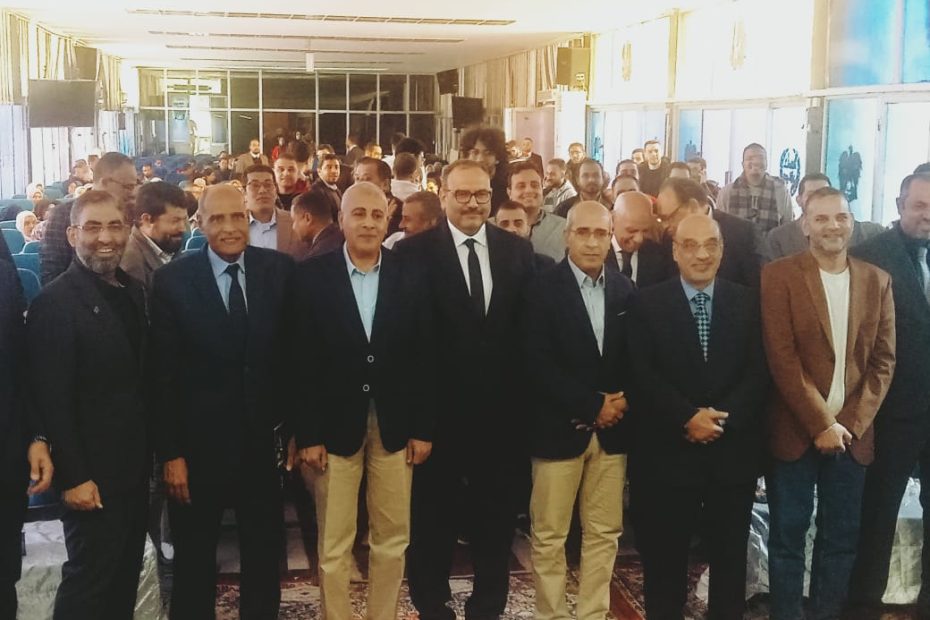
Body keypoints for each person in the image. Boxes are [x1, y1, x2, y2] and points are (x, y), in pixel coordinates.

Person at [397, 159, 537, 620]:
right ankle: (432, 606)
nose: (473, 203)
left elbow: (526, 336)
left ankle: (487, 608)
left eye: (481, 194)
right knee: (431, 525)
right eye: (462, 194)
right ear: (443, 196)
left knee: (495, 526)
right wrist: (417, 421)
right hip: (436, 421)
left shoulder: (517, 251)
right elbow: (408, 344)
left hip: (501, 420)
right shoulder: (413, 254)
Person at [149, 184, 295, 619]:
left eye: (237, 217)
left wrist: (295, 430)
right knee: (194, 561)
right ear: (200, 224)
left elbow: (295, 358)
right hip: (197, 451)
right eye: (217, 219)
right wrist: (171, 453)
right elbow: (161, 377)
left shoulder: (279, 270)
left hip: (262, 445)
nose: (230, 227)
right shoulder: (172, 281)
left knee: (264, 555)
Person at [293, 182, 434, 620]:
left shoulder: (411, 273)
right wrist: (308, 434)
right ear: (342, 220)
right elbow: (301, 362)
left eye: (377, 215)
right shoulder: (312, 276)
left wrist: (423, 427)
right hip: (333, 426)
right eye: (359, 214)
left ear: (387, 219)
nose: (369, 223)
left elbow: (425, 356)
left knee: (392, 538)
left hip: (396, 424)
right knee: (335, 541)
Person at [762, 187, 896, 620]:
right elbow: (782, 358)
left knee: (841, 540)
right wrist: (822, 423)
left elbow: (884, 361)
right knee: (788, 537)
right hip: (795, 432)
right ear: (805, 225)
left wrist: (849, 424)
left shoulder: (877, 280)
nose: (832, 226)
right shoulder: (778, 276)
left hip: (853, 437)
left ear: (851, 223)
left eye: (841, 217)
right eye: (821, 218)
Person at [628, 213, 769, 620]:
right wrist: (686, 417)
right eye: (690, 245)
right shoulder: (646, 303)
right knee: (664, 561)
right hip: (669, 454)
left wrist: (720, 420)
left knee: (730, 560)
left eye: (711, 245)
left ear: (722, 250)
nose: (701, 254)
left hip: (731, 454)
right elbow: (641, 373)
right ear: (675, 252)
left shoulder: (748, 302)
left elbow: (759, 371)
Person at [28, 190, 150, 619]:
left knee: (123, 579)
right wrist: (74, 477)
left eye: (115, 226)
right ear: (72, 234)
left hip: (133, 468)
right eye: (93, 227)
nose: (106, 238)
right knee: (89, 586)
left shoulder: (134, 292)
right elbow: (52, 400)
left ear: (128, 230)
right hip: (90, 475)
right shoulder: (55, 303)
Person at [524, 201, 635, 620]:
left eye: (601, 233)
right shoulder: (540, 289)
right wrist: (591, 406)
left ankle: (593, 614)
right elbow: (535, 362)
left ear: (611, 237)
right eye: (583, 232)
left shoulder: (625, 290)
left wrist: (621, 402)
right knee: (550, 534)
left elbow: (638, 357)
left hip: (612, 433)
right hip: (558, 429)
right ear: (567, 235)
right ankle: (551, 614)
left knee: (605, 532)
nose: (592, 242)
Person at [847, 172, 930, 618]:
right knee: (877, 516)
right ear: (900, 205)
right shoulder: (870, 257)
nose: (928, 216)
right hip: (891, 413)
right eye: (920, 206)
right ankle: (862, 607)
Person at [0, 235, 53, 619]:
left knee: (4, 579)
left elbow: (21, 362)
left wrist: (36, 436)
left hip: (5, 449)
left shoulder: (2, 270)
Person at [41, 152, 139, 284]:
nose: (133, 193)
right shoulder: (62, 215)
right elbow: (52, 274)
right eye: (128, 187)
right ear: (104, 182)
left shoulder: (131, 213)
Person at [656, 177, 762, 287]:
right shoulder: (669, 239)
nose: (665, 226)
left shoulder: (744, 234)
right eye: (661, 219)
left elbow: (755, 288)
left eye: (668, 218)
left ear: (693, 206)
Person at [764, 173, 885, 262]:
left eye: (825, 192)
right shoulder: (779, 237)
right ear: (798, 200)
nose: (820, 198)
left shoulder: (864, 233)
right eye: (812, 194)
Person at [120, 181, 188, 289]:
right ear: (147, 220)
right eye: (175, 221)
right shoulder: (131, 264)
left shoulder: (170, 246)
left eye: (184, 220)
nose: (183, 228)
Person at [717, 143, 793, 238]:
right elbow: (718, 228)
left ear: (766, 164)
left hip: (771, 247)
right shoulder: (726, 193)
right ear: (743, 164)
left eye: (760, 158)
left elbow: (788, 228)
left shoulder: (781, 192)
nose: (756, 162)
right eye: (750, 158)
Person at [244, 164, 310, 259]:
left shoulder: (295, 222)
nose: (262, 190)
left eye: (268, 185)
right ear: (244, 193)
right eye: (255, 185)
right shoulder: (235, 226)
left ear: (275, 190)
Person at [508, 161, 566, 261]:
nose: (529, 190)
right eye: (521, 186)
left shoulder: (563, 228)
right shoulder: (493, 227)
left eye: (534, 185)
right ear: (509, 193)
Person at [606, 191, 667, 286]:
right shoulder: (597, 252)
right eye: (632, 231)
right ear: (612, 220)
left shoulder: (659, 256)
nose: (639, 239)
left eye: (645, 231)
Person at [461, 127, 511, 214]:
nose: (480, 159)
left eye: (488, 153)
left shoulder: (507, 187)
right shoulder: (460, 185)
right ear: (467, 156)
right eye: (475, 152)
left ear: (497, 158)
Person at [292, 190, 345, 258]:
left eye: (294, 220)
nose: (293, 227)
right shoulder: (342, 238)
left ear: (308, 218)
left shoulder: (319, 255)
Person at [312, 154, 344, 223]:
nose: (334, 171)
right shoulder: (316, 192)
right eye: (329, 167)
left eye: (336, 167)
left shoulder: (336, 189)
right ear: (319, 171)